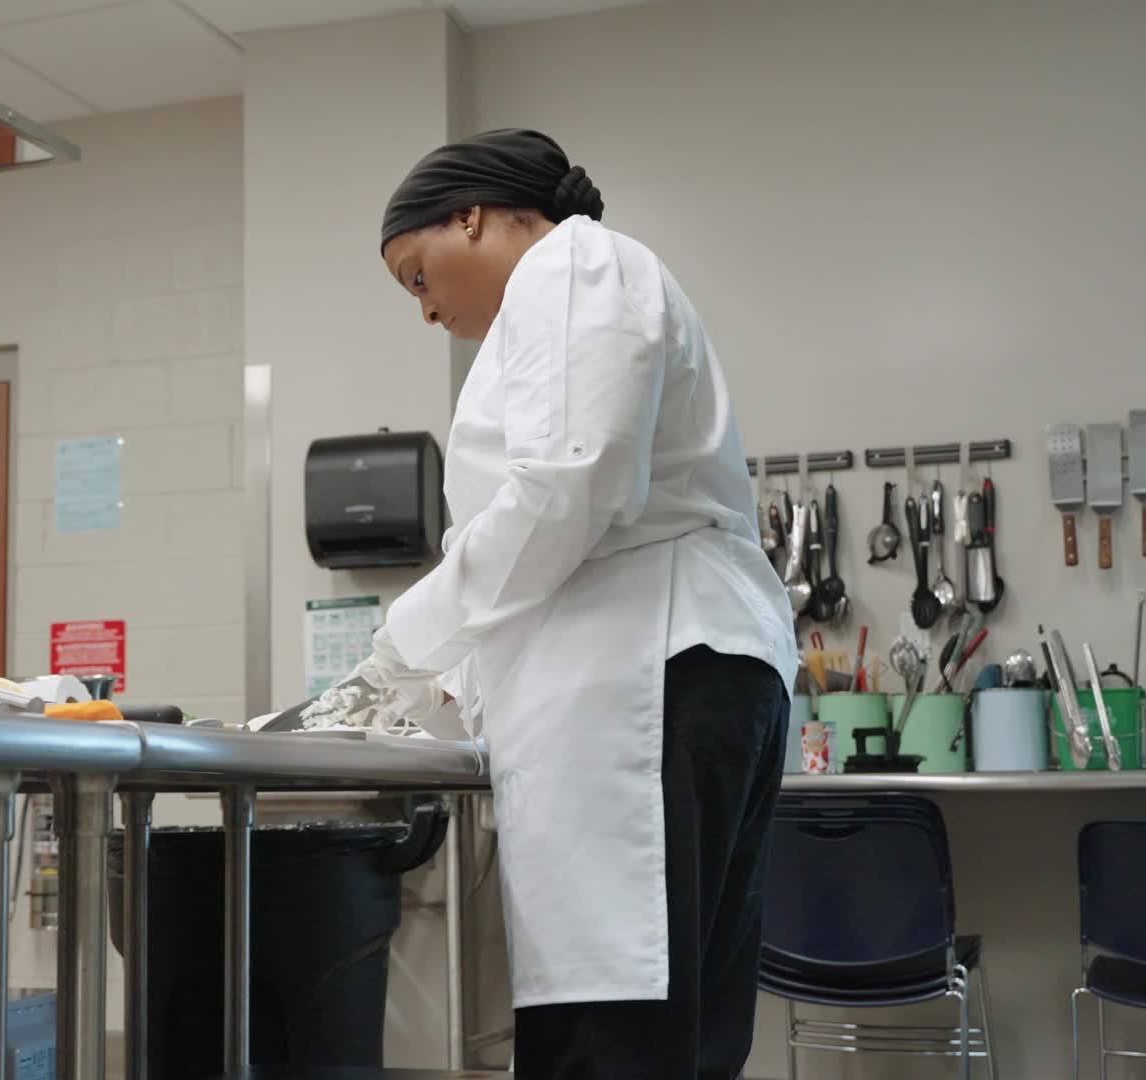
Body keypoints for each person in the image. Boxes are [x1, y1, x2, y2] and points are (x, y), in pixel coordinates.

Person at [350, 129, 798, 1078]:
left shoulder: (573, 261)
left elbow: (569, 488)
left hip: (643, 677)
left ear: (468, 216)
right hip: (669, 667)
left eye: (417, 276)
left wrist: (404, 641)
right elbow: (545, 532)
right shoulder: (559, 298)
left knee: (618, 1030)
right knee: (675, 1030)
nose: (425, 310)